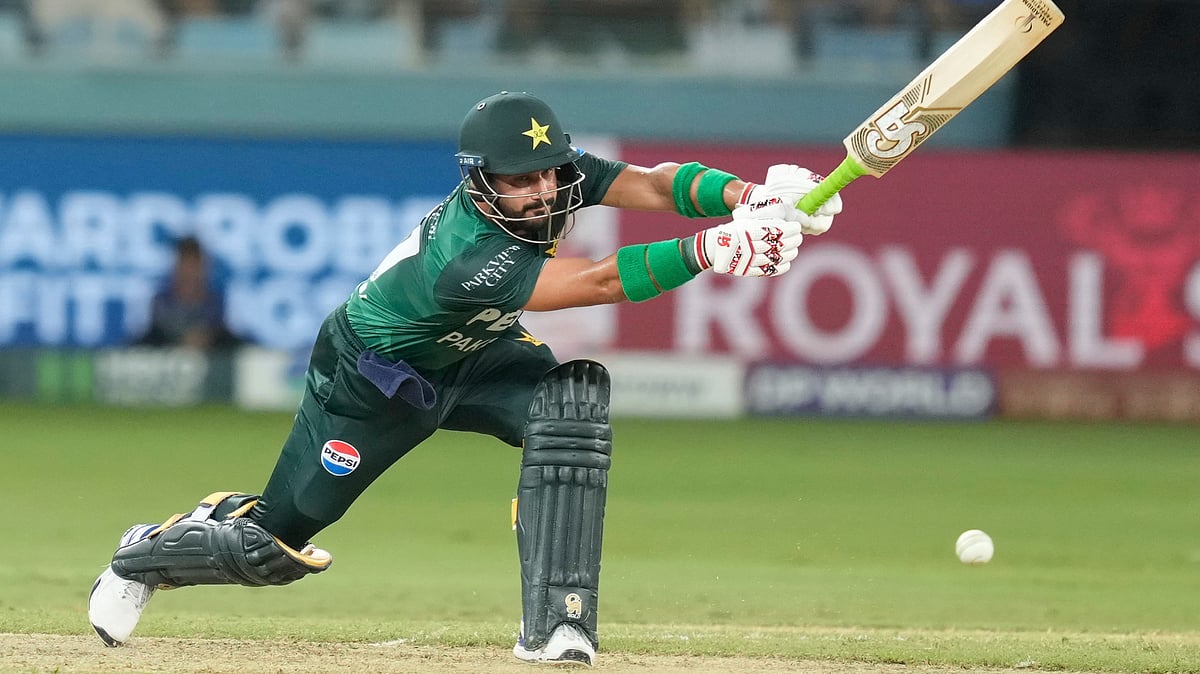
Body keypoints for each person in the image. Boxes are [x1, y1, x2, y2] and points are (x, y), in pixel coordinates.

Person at [87, 90, 843, 667]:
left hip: (477, 355)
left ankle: (558, 625)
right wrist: (714, 249)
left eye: (550, 172)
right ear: (482, 183)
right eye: (521, 181)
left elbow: (651, 185)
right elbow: (599, 281)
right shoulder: (468, 257)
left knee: (570, 404)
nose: (543, 192)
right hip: (373, 380)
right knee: (270, 550)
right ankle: (144, 554)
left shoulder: (554, 176)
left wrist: (749, 197)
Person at [137, 235, 240, 351]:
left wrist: (207, 337)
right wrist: (181, 339)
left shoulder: (215, 305)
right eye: (185, 265)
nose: (190, 272)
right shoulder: (161, 304)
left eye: (194, 266)